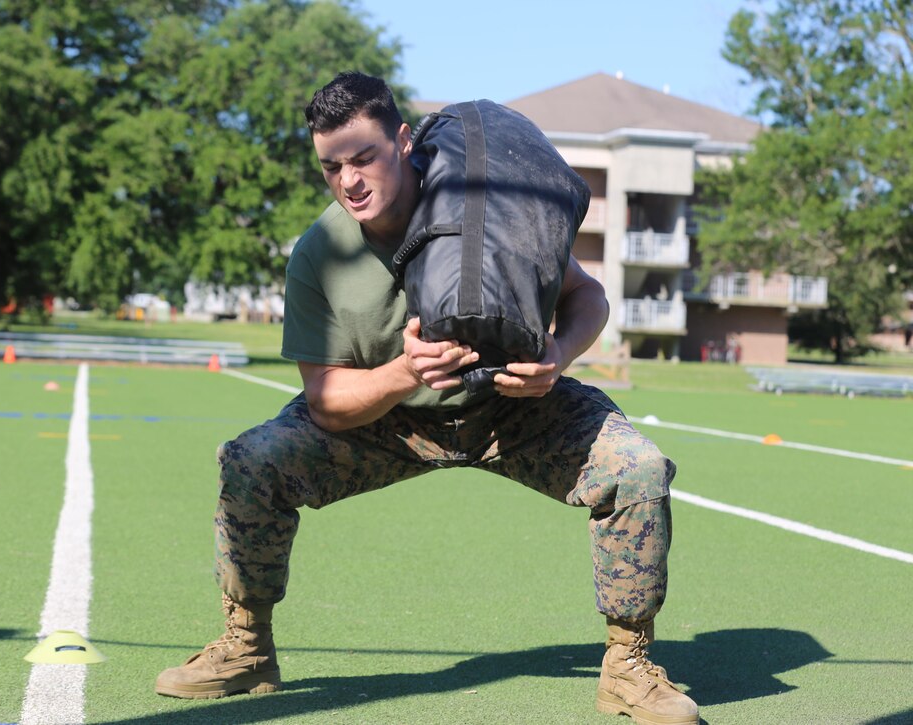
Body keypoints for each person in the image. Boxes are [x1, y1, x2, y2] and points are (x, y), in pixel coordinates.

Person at [156, 71, 699, 725]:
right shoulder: (319, 252)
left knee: (636, 469)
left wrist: (557, 355)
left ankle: (629, 667)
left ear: (404, 142)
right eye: (332, 167)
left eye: (364, 157)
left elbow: (589, 296)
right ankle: (247, 647)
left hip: (511, 409)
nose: (350, 180)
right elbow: (327, 400)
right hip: (389, 422)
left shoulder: (485, 213)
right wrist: (404, 372)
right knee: (251, 460)